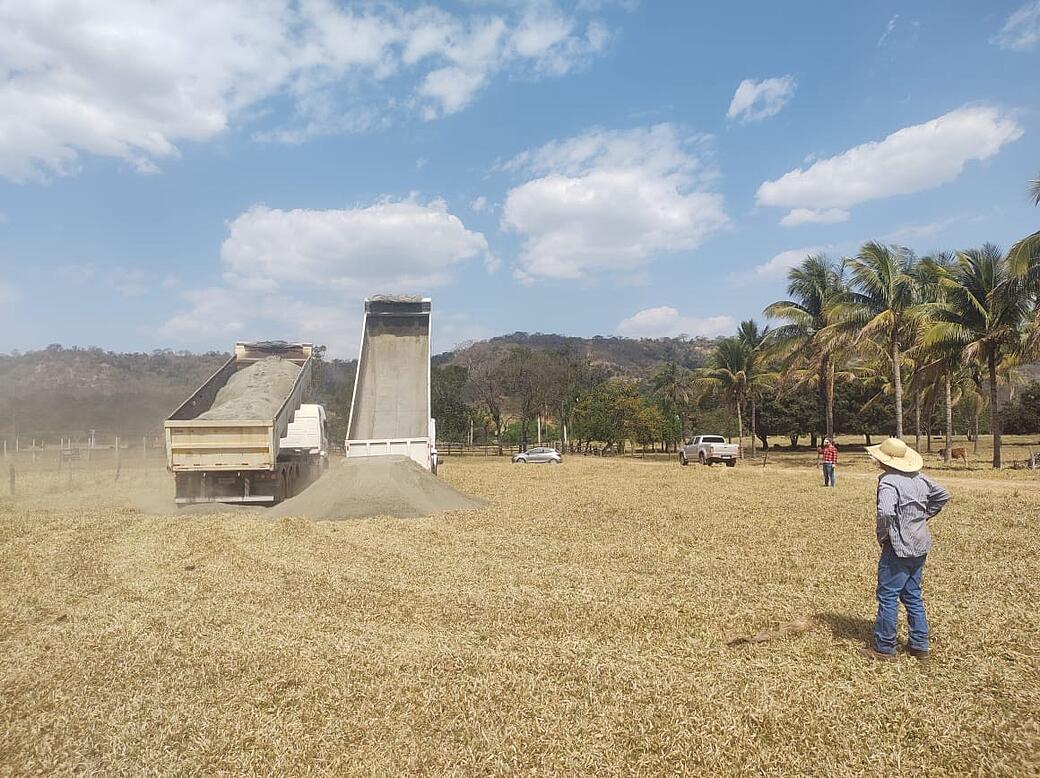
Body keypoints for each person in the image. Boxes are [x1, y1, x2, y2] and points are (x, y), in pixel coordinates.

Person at [860, 437, 950, 662]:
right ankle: (920, 646)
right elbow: (942, 495)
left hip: (898, 546)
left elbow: (885, 513)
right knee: (912, 595)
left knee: (888, 596)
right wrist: (922, 517)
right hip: (920, 545)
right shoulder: (919, 478)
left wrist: (883, 534)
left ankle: (884, 647)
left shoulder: (889, 481)